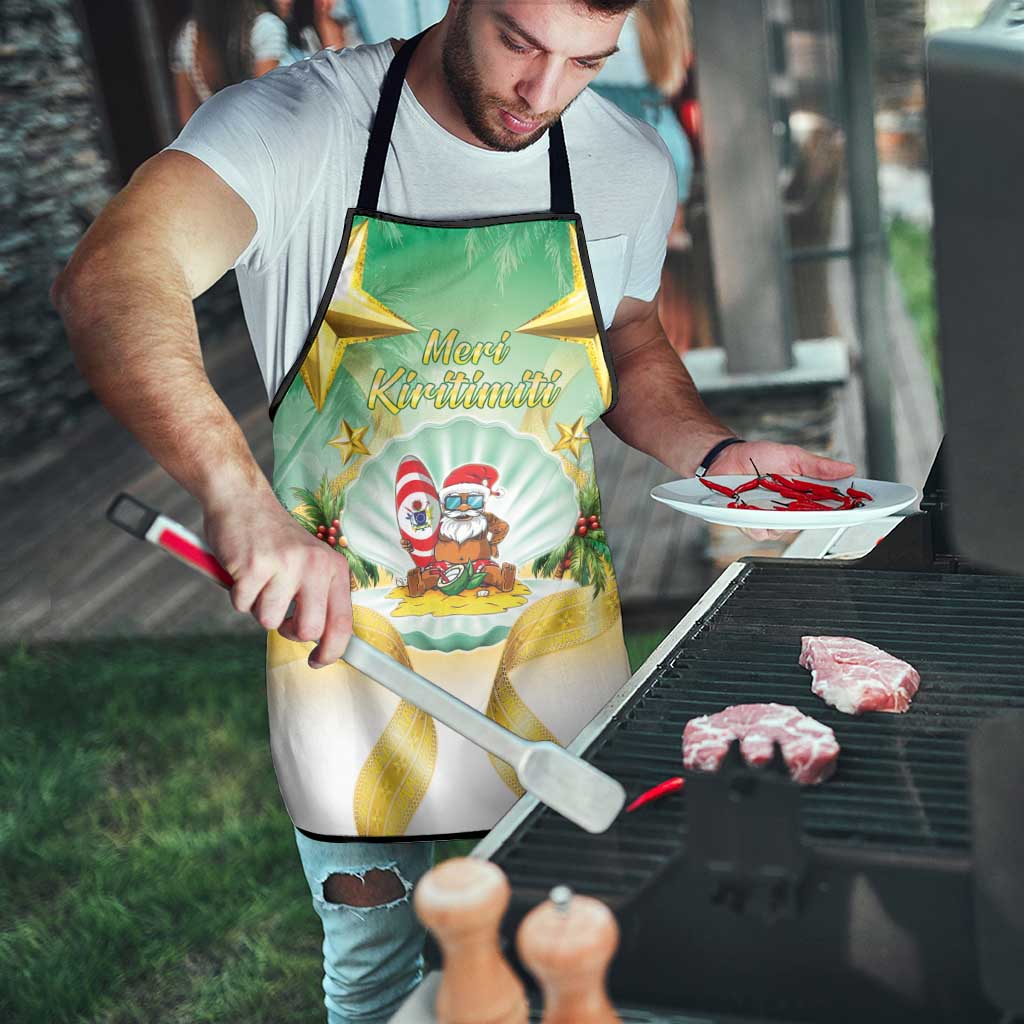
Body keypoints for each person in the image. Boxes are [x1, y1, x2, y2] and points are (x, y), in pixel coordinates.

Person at [53, 2, 856, 1020]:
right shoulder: (298, 126)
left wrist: (717, 448)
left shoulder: (624, 160)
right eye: (521, 42)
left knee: (572, 956)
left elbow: (628, 336)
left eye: (585, 62)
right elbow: (113, 275)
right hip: (351, 657)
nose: (543, 94)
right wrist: (238, 498)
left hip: (553, 650)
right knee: (379, 978)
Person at [170, 0, 289, 126]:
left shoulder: (188, 37)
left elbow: (188, 121)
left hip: (215, 139)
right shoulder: (266, 27)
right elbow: (266, 107)